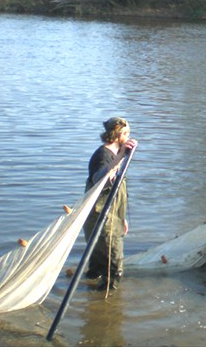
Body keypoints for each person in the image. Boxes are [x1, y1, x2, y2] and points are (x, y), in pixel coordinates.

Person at [83, 116, 137, 291]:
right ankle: (108, 310)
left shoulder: (115, 155)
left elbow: (117, 193)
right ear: (118, 134)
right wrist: (119, 158)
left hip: (112, 216)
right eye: (126, 134)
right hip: (102, 218)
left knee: (98, 265)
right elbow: (99, 180)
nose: (128, 138)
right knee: (114, 268)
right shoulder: (103, 155)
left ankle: (93, 298)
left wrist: (122, 219)